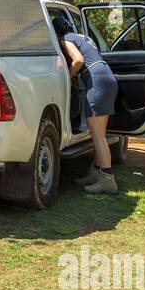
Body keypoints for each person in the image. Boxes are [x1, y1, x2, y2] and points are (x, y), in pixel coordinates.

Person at [51, 14, 119, 195]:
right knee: (100, 135)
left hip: (96, 82)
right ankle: (95, 173)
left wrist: (68, 76)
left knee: (97, 135)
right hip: (107, 77)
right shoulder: (82, 36)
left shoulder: (66, 39)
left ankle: (107, 180)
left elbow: (78, 60)